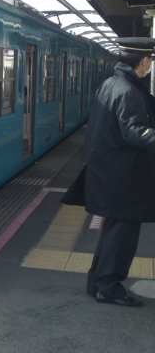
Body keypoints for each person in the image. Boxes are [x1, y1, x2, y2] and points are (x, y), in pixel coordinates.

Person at [83, 36, 155, 307]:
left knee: (112, 233)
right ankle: (110, 289)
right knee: (122, 237)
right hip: (124, 177)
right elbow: (134, 131)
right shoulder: (128, 90)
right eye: (150, 60)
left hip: (110, 173)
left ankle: (98, 283)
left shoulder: (112, 83)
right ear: (143, 61)